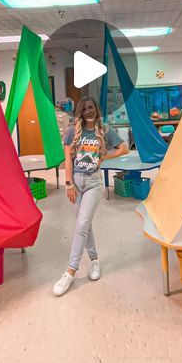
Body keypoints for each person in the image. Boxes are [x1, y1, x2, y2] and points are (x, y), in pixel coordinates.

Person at [53, 96, 128, 297]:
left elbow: (124, 148)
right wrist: (68, 184)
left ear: (96, 108)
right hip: (75, 182)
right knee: (83, 225)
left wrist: (105, 156)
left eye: (91, 107)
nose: (88, 111)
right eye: (84, 108)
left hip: (94, 183)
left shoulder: (104, 130)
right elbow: (68, 159)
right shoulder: (72, 131)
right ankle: (94, 260)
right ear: (80, 111)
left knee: (81, 225)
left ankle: (70, 271)